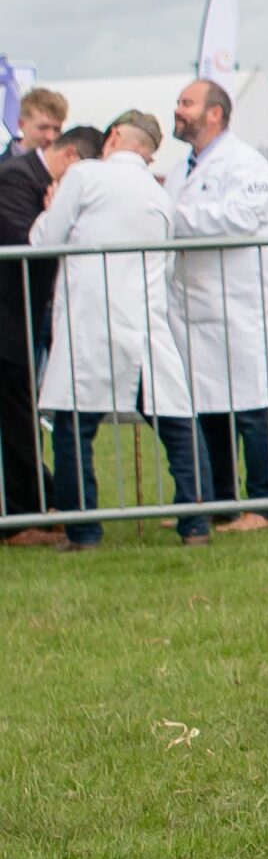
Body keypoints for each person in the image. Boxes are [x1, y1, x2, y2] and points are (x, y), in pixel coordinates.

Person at [31, 112, 210, 550]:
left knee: (75, 429)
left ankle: (84, 531)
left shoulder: (85, 175)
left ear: (112, 137)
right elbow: (167, 264)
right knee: (175, 424)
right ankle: (195, 523)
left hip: (90, 322)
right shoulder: (160, 194)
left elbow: (44, 239)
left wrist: (51, 209)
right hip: (145, 320)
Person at [170, 78, 268, 534]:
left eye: (187, 103)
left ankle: (264, 504)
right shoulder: (184, 165)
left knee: (253, 404)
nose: (178, 110)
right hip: (198, 304)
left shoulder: (247, 164)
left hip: (241, 305)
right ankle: (220, 500)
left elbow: (239, 217)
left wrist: (175, 220)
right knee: (210, 403)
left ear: (215, 113)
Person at [0, 123, 100, 545]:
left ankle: (41, 502)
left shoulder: (30, 179)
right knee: (17, 416)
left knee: (20, 414)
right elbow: (26, 241)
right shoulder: (16, 179)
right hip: (7, 315)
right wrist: (53, 212)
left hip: (22, 316)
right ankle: (24, 518)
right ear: (72, 159)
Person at [7, 87, 67, 159]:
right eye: (43, 128)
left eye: (57, 130)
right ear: (22, 124)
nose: (50, 137)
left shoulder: (68, 167)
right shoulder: (3, 167)